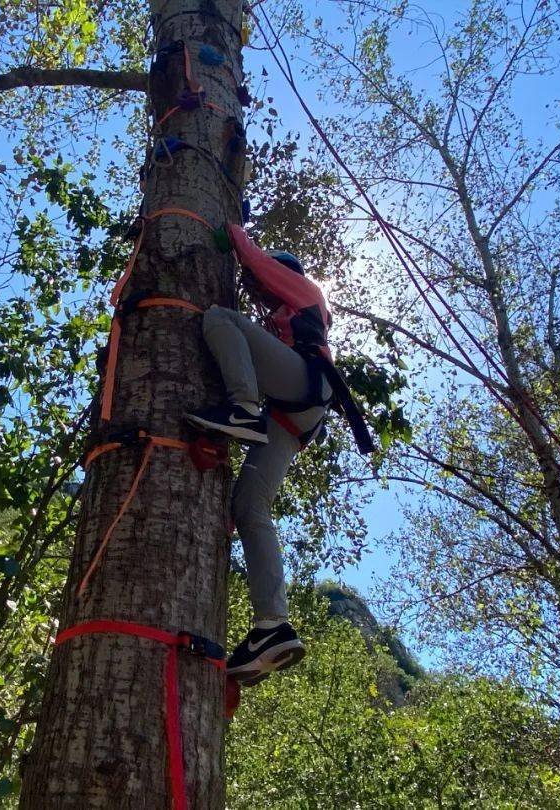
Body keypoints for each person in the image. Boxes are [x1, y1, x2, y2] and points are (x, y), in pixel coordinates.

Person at [186, 224, 375, 686]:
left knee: (221, 318)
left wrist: (230, 230)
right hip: (296, 419)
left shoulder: (306, 291)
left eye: (269, 293)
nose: (265, 300)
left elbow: (256, 262)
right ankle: (273, 626)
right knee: (249, 507)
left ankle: (243, 407)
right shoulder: (286, 320)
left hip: (305, 388)